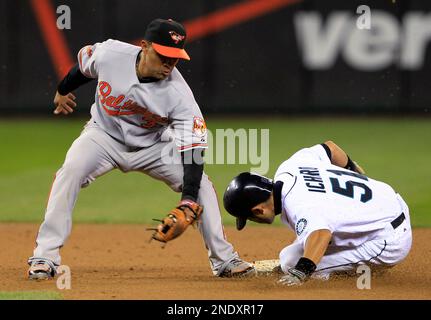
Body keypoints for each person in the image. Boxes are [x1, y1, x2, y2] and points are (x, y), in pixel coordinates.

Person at [28, 18, 255, 280]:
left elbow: (193, 150)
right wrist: (62, 90)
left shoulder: (179, 95)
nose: (169, 64)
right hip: (103, 136)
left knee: (201, 185)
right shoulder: (110, 54)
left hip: (154, 145)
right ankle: (44, 256)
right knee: (69, 172)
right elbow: (82, 68)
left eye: (175, 58)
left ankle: (224, 260)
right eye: (164, 56)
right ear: (144, 46)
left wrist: (189, 200)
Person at [223, 141, 412, 286]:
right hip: (390, 201)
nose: (254, 220)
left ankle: (368, 269)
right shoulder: (290, 166)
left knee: (291, 264)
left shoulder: (300, 206)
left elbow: (321, 234)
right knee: (289, 255)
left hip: (389, 240)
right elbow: (330, 147)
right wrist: (355, 174)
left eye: (249, 218)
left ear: (258, 210)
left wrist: (301, 273)